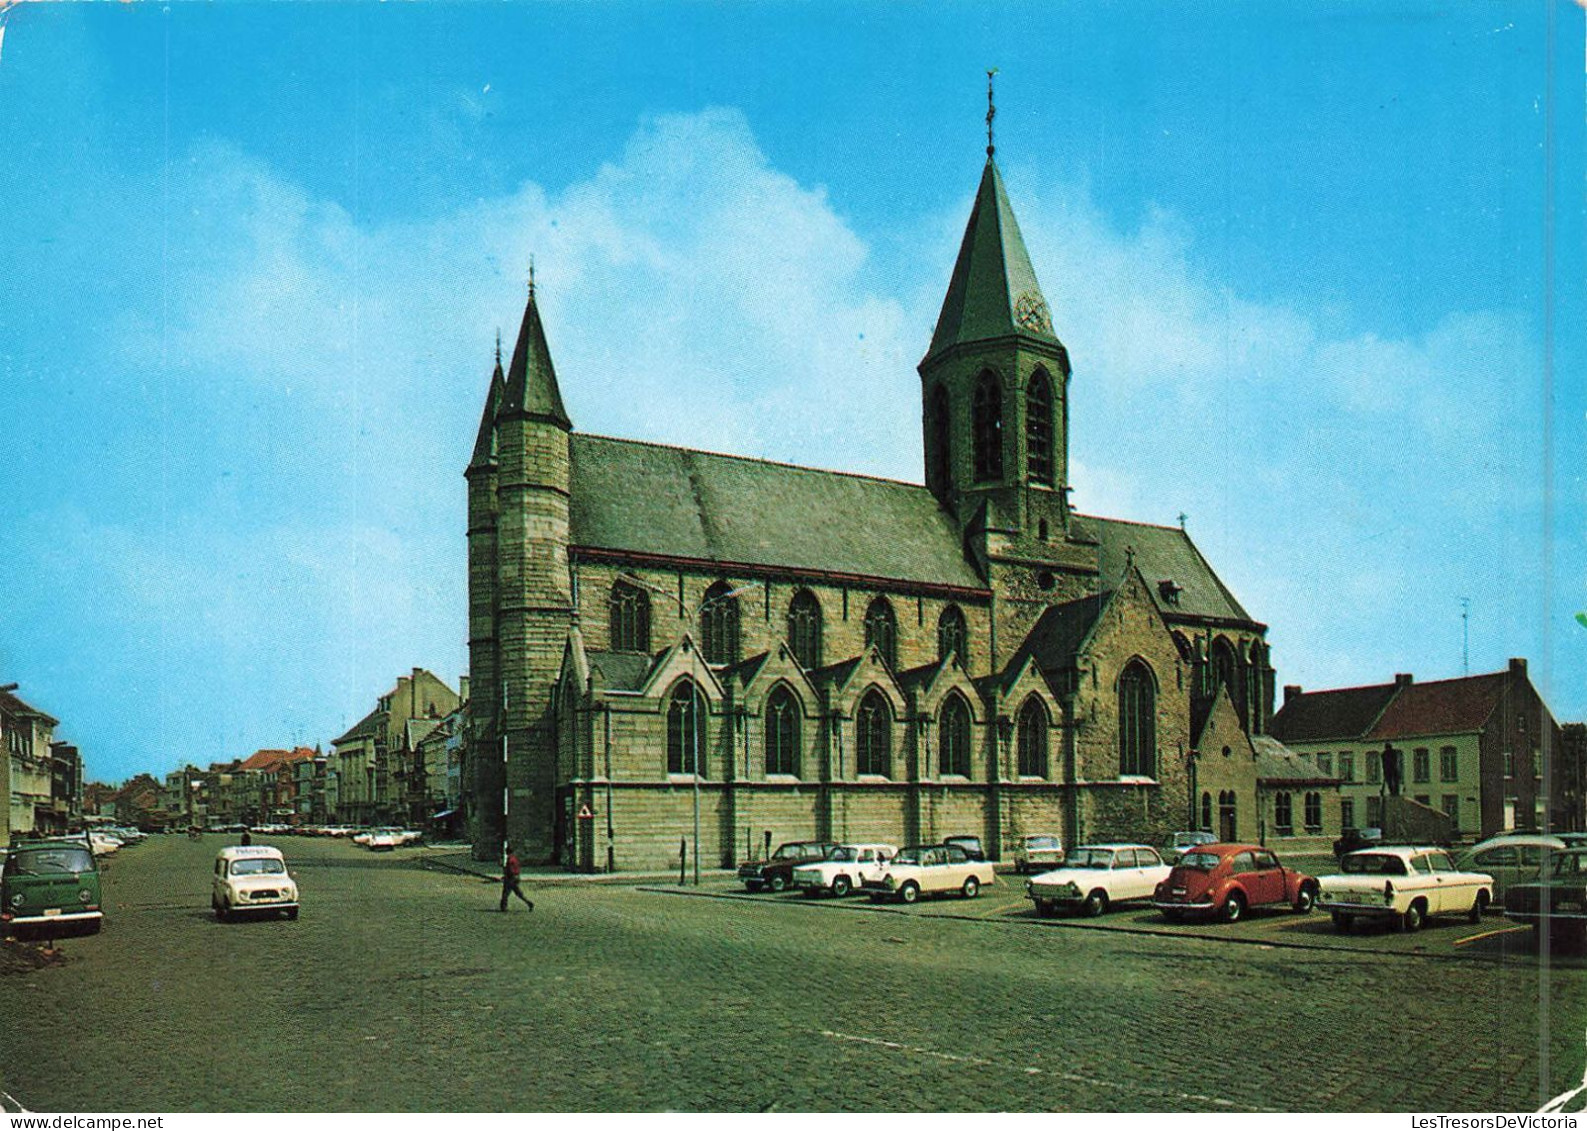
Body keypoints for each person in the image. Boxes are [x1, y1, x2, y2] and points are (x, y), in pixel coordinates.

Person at [499, 843, 533, 912]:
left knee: (505, 893)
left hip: (511, 878)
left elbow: (510, 870)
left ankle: (503, 907)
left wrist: (506, 876)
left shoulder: (510, 860)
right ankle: (529, 903)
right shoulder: (515, 859)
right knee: (519, 893)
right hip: (516, 877)